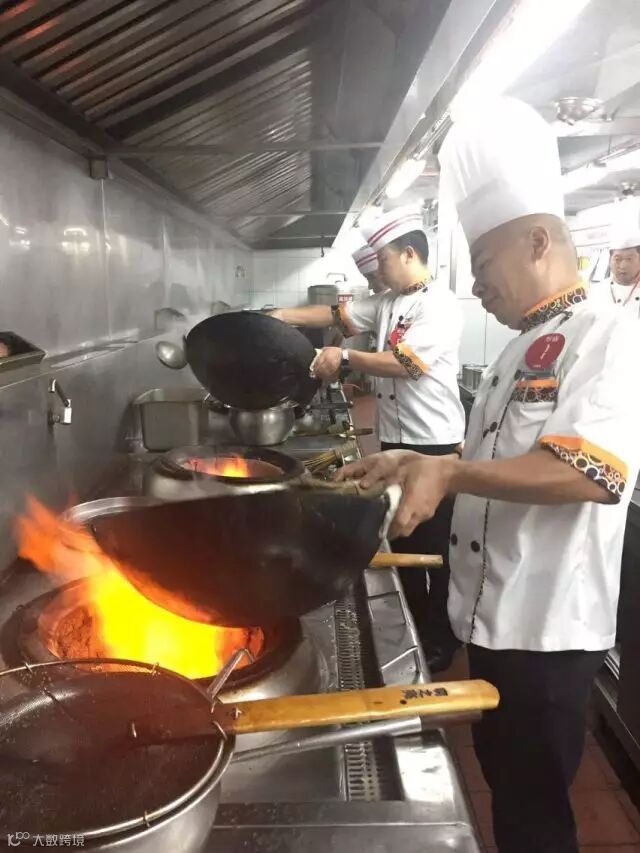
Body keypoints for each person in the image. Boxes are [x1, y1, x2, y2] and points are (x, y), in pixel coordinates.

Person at [336, 97, 640, 853]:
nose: (476, 287)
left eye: (482, 265)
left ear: (538, 240)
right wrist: (416, 461)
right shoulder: (515, 351)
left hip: (548, 633)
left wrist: (451, 473)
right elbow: (488, 465)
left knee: (534, 817)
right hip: (496, 622)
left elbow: (591, 475)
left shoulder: (609, 335)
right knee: (508, 788)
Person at [271, 209, 465, 671]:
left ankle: (441, 638)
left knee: (436, 546)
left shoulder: (439, 304)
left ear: (409, 254)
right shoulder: (388, 301)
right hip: (397, 440)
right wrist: (275, 317)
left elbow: (408, 364)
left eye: (383, 259)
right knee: (403, 535)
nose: (377, 268)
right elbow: (334, 313)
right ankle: (415, 624)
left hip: (435, 443)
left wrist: (344, 357)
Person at [604, 225, 640, 317]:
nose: (623, 266)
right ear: (609, 260)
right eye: (617, 259)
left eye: (629, 259)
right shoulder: (597, 291)